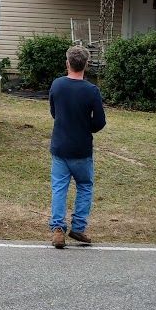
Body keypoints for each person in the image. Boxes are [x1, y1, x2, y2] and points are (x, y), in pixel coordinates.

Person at [48, 45, 106, 248]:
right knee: (84, 186)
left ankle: (57, 228)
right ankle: (78, 227)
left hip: (60, 146)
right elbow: (99, 122)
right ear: (86, 65)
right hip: (81, 149)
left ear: (67, 63)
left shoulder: (57, 85)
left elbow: (54, 112)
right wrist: (84, 126)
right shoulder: (91, 91)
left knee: (59, 187)